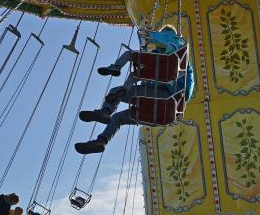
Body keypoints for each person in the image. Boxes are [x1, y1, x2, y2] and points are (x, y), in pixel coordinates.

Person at [76, 27, 195, 155]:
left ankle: (106, 110)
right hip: (166, 111)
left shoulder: (170, 51)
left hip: (164, 97)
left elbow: (158, 58)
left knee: (117, 90)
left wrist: (150, 37)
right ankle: (101, 141)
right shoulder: (181, 59)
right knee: (117, 118)